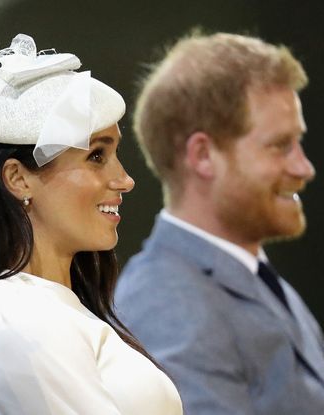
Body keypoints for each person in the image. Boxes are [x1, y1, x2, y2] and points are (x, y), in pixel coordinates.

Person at [0, 34, 183, 415]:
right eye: (96, 156)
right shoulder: (15, 314)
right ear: (18, 179)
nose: (125, 179)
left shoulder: (49, 308)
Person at [115, 32, 324, 414]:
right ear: (203, 155)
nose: (304, 168)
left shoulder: (250, 276)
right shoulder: (166, 301)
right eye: (280, 145)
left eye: (299, 143)